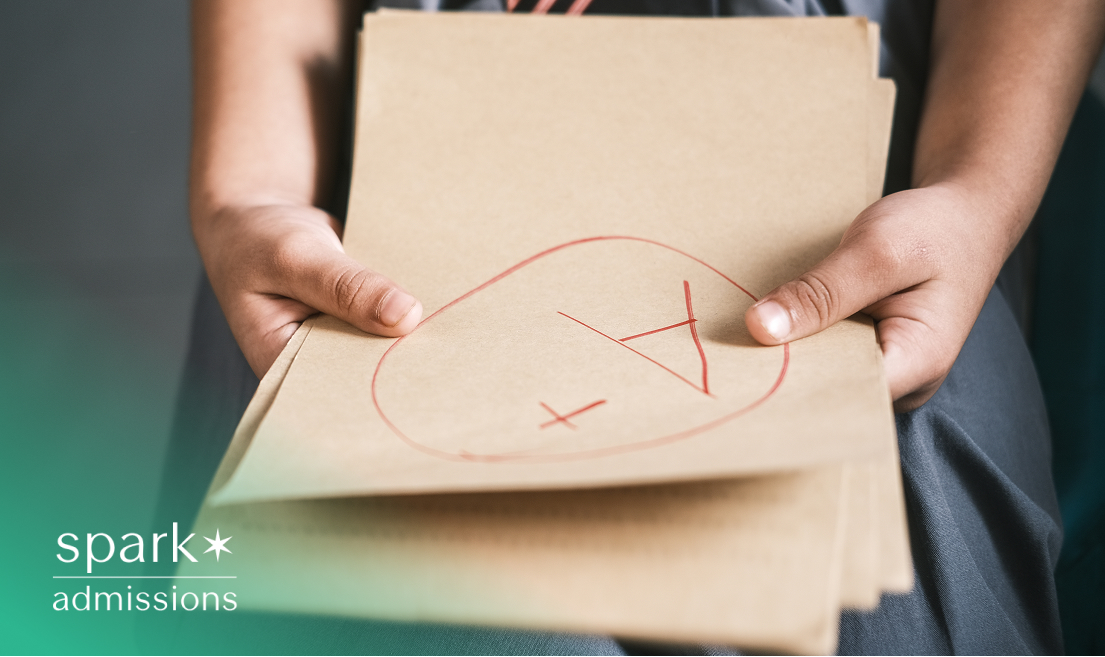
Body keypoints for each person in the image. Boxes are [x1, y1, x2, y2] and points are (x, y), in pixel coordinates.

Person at [156, 0, 1105, 652]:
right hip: (383, 147)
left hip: (895, 153)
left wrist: (976, 190)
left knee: (879, 590)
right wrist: (250, 188)